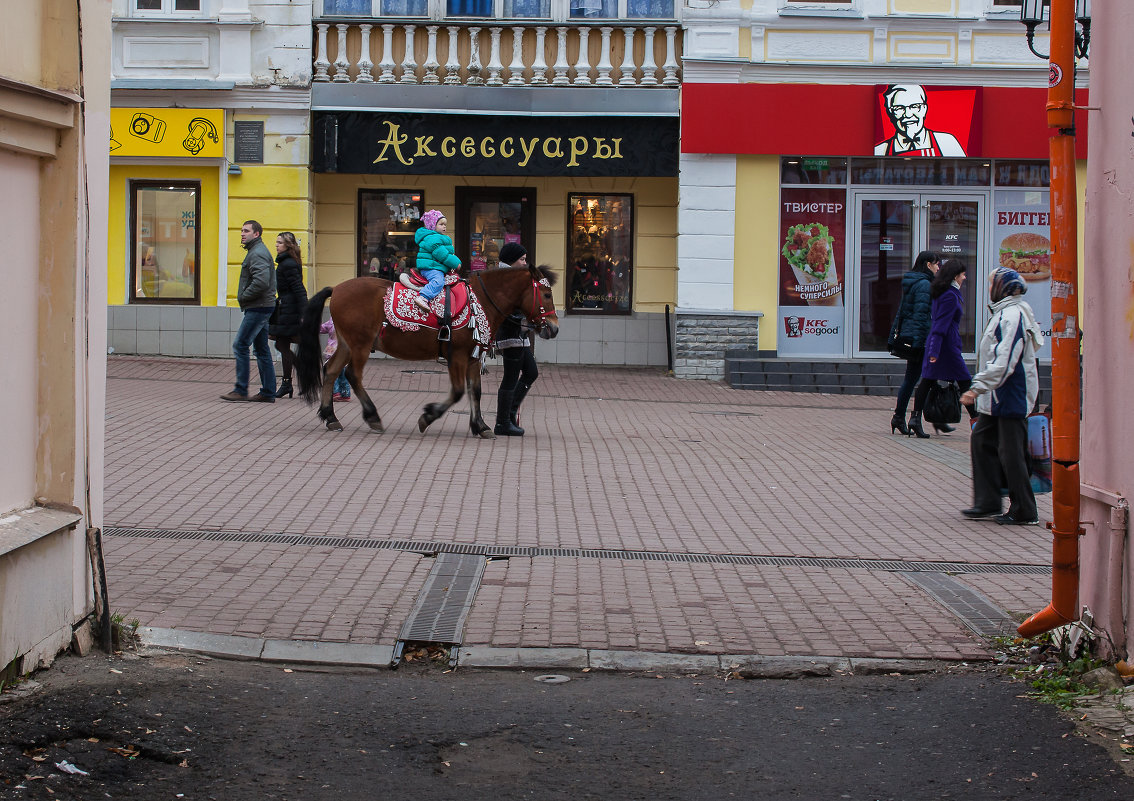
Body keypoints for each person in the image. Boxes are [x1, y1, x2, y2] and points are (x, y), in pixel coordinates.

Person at [960, 268, 1044, 526]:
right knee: (982, 441)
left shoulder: (1012, 316)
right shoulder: (1004, 313)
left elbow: (1005, 360)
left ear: (1002, 288)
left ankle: (1024, 510)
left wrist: (978, 387)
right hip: (997, 395)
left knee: (1011, 453)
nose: (988, 288)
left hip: (1009, 394)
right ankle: (987, 502)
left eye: (990, 284)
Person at [908, 259, 973, 439]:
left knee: (928, 381)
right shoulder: (950, 295)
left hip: (942, 344)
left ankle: (915, 419)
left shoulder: (947, 292)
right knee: (965, 380)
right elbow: (940, 325)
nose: (965, 277)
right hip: (945, 346)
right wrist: (934, 351)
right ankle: (977, 422)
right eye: (963, 274)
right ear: (955, 276)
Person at [221, 220, 277, 403]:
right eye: (241, 230)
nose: (242, 234)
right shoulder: (256, 251)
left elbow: (261, 281)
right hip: (261, 305)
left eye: (246, 231)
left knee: (241, 345)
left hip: (258, 307)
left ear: (257, 234)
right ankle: (268, 392)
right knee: (261, 349)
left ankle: (241, 390)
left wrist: (244, 296)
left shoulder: (258, 253)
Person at [887, 250, 938, 435]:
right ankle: (912, 418)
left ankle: (900, 417)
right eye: (936, 264)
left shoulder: (913, 282)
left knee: (911, 379)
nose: (938, 268)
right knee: (919, 379)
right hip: (920, 339)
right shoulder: (924, 284)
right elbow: (921, 315)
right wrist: (920, 342)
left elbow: (903, 312)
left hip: (913, 337)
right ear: (928, 265)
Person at [493, 242, 539, 437]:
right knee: (510, 378)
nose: (525, 263)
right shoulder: (503, 279)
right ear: (511, 260)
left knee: (531, 372)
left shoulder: (515, 277)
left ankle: (509, 415)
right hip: (509, 335)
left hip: (519, 335)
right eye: (522, 259)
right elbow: (503, 308)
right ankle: (503, 422)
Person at [268, 232, 308, 399]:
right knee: (282, 345)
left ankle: (294, 379)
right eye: (276, 242)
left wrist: (304, 313)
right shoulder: (288, 262)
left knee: (282, 345)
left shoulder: (288, 264)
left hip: (289, 310)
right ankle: (289, 382)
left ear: (288, 246)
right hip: (286, 308)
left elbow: (299, 289)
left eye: (280, 243)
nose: (276, 245)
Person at [874, 84, 966, 157]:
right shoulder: (881, 150)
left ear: (924, 109)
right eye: (899, 108)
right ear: (890, 112)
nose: (908, 115)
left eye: (914, 106)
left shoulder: (946, 142)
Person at [412, 209, 462, 314]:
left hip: (434, 266)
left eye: (445, 224)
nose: (444, 226)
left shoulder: (436, 238)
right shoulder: (432, 239)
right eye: (441, 224)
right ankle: (423, 297)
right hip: (431, 268)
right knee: (438, 281)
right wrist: (456, 263)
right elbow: (443, 255)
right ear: (432, 226)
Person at [319, 317, 352, 402]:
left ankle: (335, 393)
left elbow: (322, 329)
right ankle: (345, 394)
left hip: (332, 349)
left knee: (332, 373)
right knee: (343, 375)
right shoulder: (350, 321)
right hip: (345, 351)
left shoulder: (332, 320)